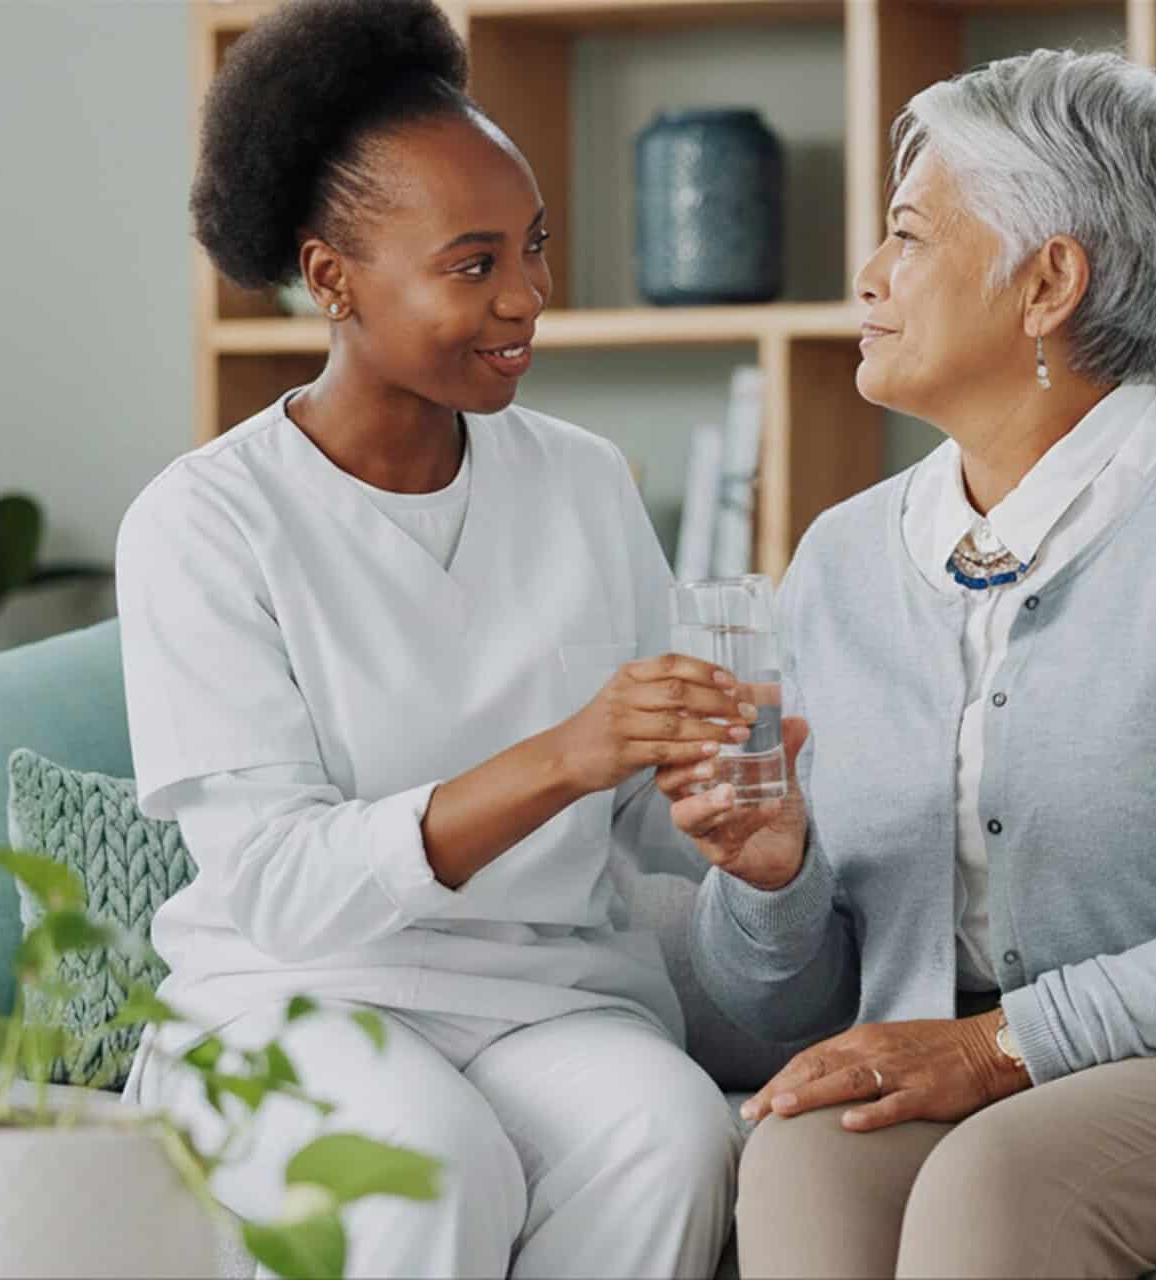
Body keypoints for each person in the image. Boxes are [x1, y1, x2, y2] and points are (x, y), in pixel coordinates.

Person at [664, 49, 1156, 1278]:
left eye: (908, 237)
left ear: (1048, 281)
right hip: (997, 1054)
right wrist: (774, 876)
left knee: (995, 1179)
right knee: (802, 1141)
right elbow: (784, 1011)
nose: (869, 278)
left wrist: (997, 1045)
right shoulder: (841, 558)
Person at [113, 1, 739, 1273]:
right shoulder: (205, 521)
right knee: (423, 1157)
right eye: (473, 264)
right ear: (331, 277)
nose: (528, 299)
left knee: (674, 1129)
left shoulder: (581, 481)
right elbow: (283, 890)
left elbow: (640, 814)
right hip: (292, 1003)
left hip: (543, 998)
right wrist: (565, 754)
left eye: (535, 247)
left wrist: (736, 796)